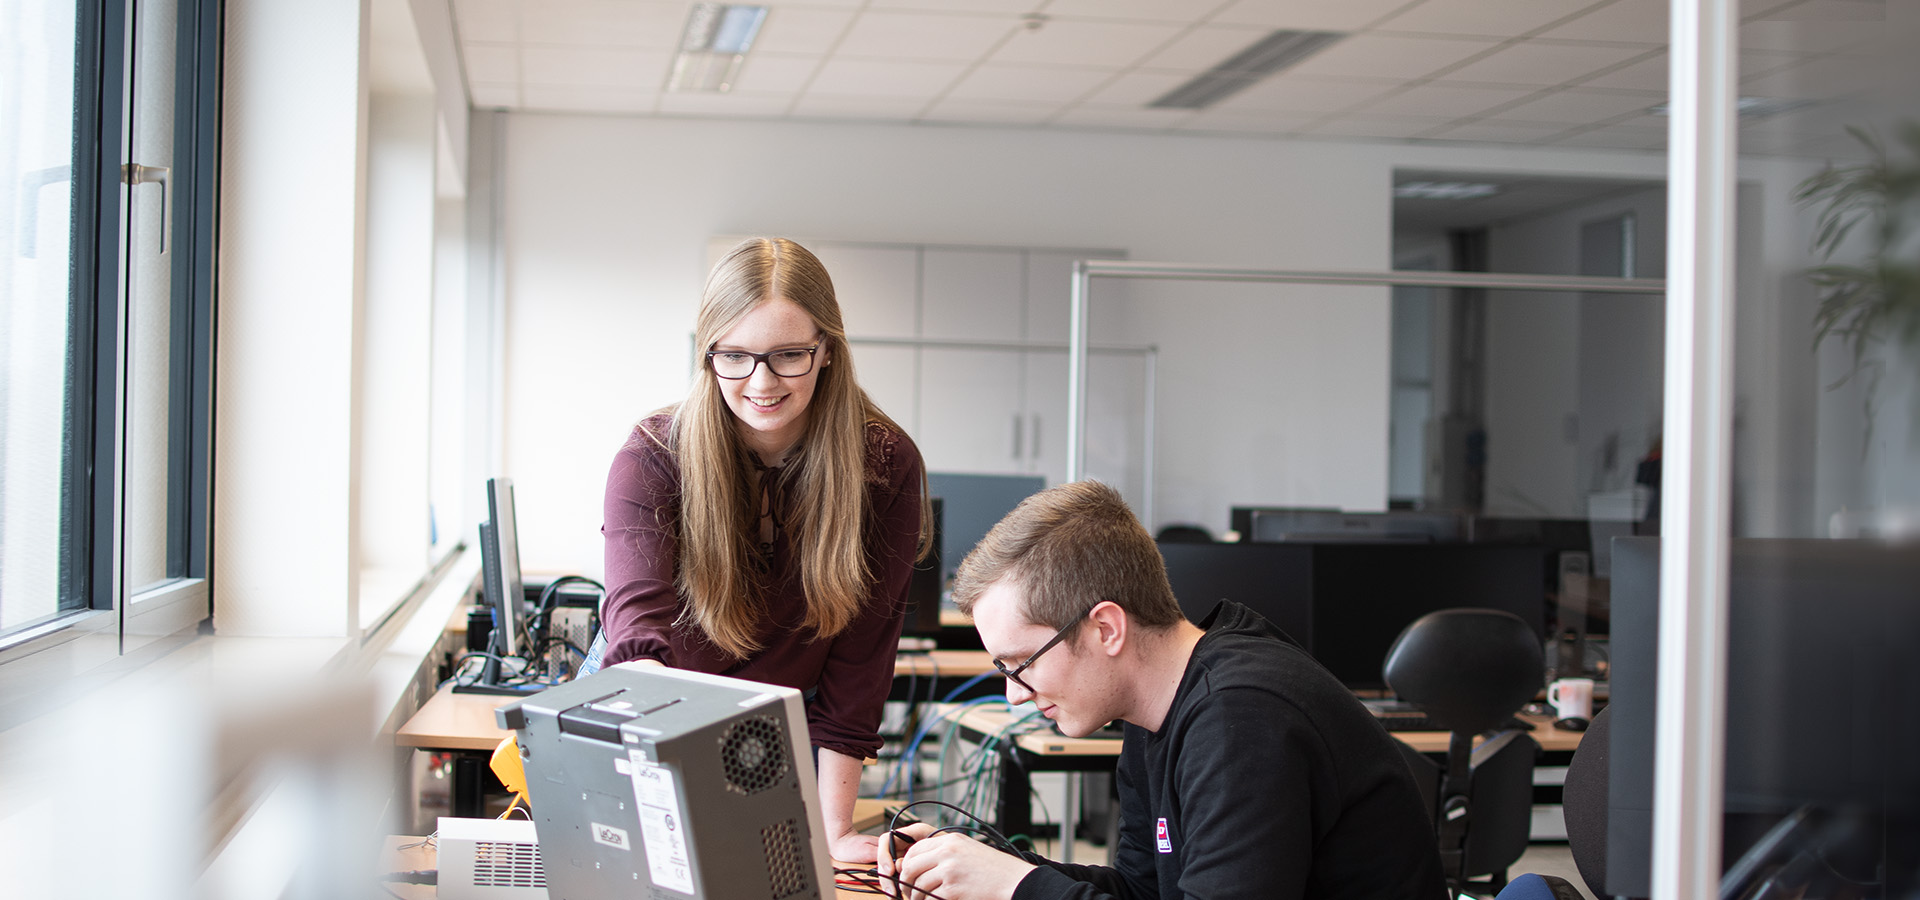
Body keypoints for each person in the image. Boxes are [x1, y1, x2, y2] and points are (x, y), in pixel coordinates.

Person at [880, 481, 1446, 900]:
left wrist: (1019, 888)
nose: (1015, 695)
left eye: (1022, 663)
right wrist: (987, 864)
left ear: (1106, 629)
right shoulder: (1159, 708)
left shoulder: (1242, 718)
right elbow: (1145, 890)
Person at [599, 237, 929, 864]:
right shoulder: (652, 457)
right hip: (651, 710)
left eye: (788, 356)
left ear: (827, 350)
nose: (761, 382)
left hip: (776, 731)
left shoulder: (882, 466)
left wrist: (831, 830)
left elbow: (859, 668)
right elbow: (637, 648)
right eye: (736, 357)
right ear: (707, 355)